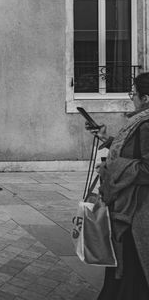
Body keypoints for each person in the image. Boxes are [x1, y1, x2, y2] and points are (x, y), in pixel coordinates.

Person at [87, 72, 149, 299]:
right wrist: (107, 139)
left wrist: (114, 169)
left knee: (132, 268)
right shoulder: (139, 122)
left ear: (146, 99)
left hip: (137, 212)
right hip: (128, 209)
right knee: (123, 267)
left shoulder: (146, 125)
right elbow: (131, 151)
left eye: (134, 93)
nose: (132, 97)